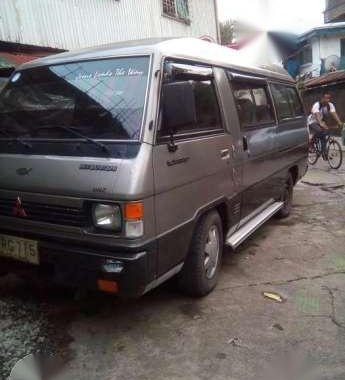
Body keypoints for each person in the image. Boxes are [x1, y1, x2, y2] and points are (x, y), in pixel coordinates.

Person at [307, 92, 343, 159]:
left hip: (321, 121)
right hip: (312, 121)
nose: (328, 100)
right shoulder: (317, 105)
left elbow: (334, 113)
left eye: (329, 98)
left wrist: (339, 122)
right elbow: (317, 114)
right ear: (322, 98)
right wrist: (321, 123)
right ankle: (311, 142)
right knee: (320, 130)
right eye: (326, 98)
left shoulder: (330, 105)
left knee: (323, 136)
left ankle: (324, 153)